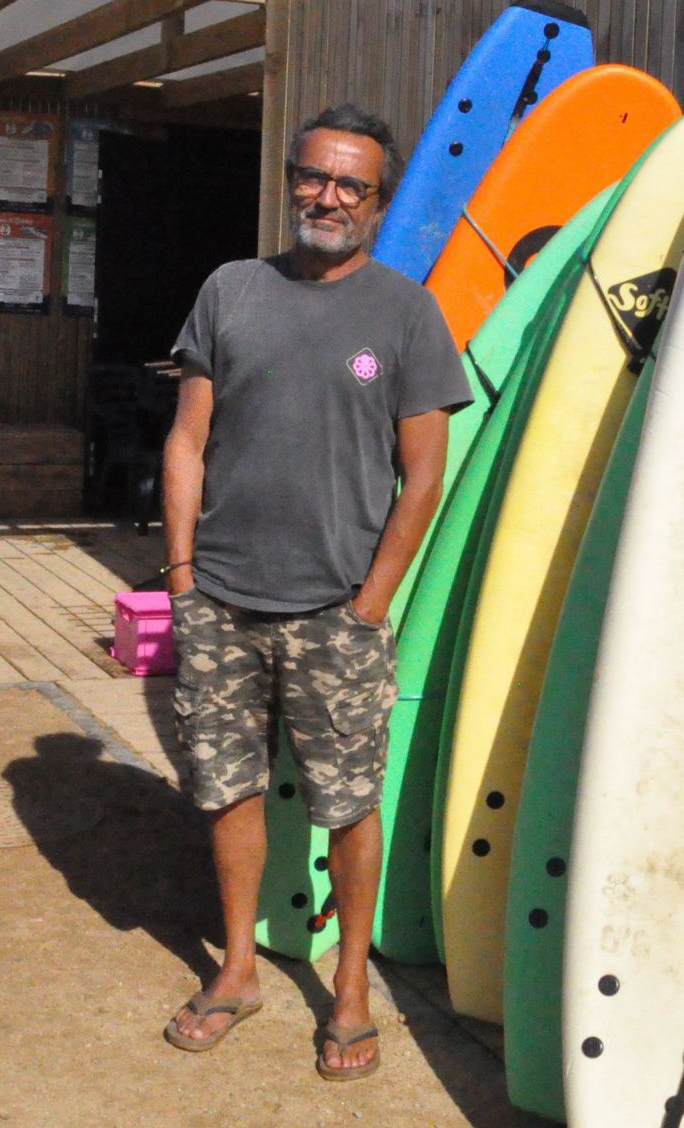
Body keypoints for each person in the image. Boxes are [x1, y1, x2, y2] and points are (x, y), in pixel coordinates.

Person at [160, 104, 472, 1078]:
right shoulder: (231, 290)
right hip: (220, 598)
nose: (326, 196)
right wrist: (179, 580)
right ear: (290, 177)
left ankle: (348, 993)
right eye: (313, 176)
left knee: (347, 803)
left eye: (352, 185)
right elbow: (186, 439)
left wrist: (373, 600)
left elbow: (426, 472)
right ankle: (241, 968)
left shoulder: (406, 312)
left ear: (378, 203)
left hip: (339, 609)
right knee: (226, 789)